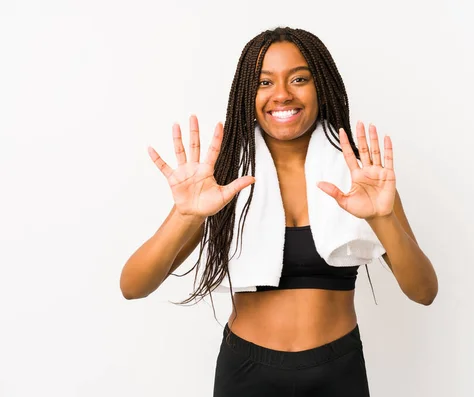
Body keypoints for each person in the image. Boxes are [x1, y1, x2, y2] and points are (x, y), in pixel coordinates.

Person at [120, 26, 438, 397]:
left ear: (322, 86)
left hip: (337, 372)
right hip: (246, 373)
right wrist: (186, 215)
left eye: (299, 79)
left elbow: (424, 291)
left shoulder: (361, 177)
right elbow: (133, 286)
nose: (282, 94)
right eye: (264, 82)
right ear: (247, 94)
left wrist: (381, 217)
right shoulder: (223, 181)